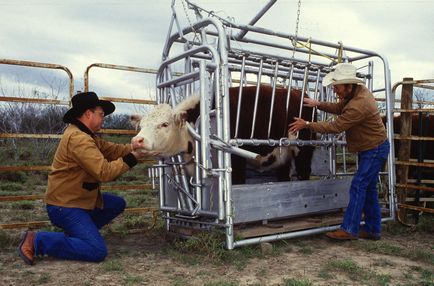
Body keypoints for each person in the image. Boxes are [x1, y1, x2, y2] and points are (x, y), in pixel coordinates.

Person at [18, 91, 158, 265]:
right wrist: (133, 157)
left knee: (116, 204)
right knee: (97, 251)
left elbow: (111, 150)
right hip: (65, 205)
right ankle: (38, 240)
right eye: (101, 114)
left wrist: (132, 146)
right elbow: (104, 172)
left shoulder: (85, 135)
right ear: (88, 114)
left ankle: (77, 236)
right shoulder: (78, 139)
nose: (104, 118)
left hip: (79, 200)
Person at [288, 63, 390, 240]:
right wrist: (318, 104)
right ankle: (373, 230)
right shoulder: (355, 93)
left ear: (349, 85)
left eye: (337, 88)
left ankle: (349, 229)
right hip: (370, 147)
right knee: (368, 188)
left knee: (359, 184)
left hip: (374, 148)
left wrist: (307, 124)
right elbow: (339, 107)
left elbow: (336, 126)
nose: (335, 91)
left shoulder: (359, 104)